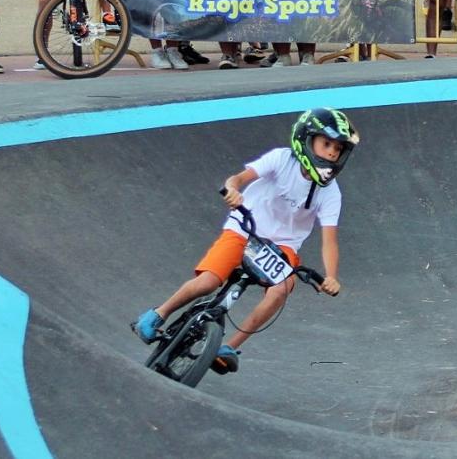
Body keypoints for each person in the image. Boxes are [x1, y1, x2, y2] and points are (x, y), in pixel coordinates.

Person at [133, 108, 357, 375]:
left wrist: (331, 276)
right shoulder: (281, 159)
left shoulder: (330, 192)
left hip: (281, 246)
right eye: (327, 144)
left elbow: (329, 240)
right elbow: (238, 178)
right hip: (245, 227)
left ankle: (228, 347)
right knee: (209, 281)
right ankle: (158, 313)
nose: (332, 152)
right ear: (307, 140)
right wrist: (233, 190)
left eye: (338, 148)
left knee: (283, 287)